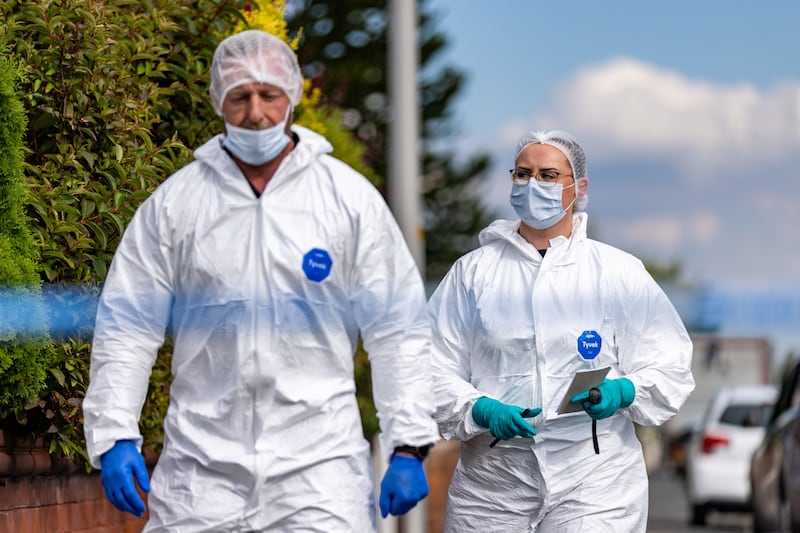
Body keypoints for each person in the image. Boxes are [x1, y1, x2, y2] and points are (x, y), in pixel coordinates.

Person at [82, 29, 439, 532]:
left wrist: (408, 444)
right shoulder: (176, 204)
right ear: (218, 103)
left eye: (268, 95)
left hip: (319, 468)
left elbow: (397, 329)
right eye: (239, 97)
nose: (255, 113)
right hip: (200, 470)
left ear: (291, 96)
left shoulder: (347, 200)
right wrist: (115, 431)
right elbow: (126, 324)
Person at [427, 129, 695, 532]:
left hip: (596, 479)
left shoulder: (617, 273)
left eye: (548, 175)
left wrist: (624, 390)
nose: (532, 184)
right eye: (522, 173)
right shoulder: (473, 274)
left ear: (579, 187)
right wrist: (479, 408)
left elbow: (670, 365)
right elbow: (427, 367)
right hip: (493, 485)